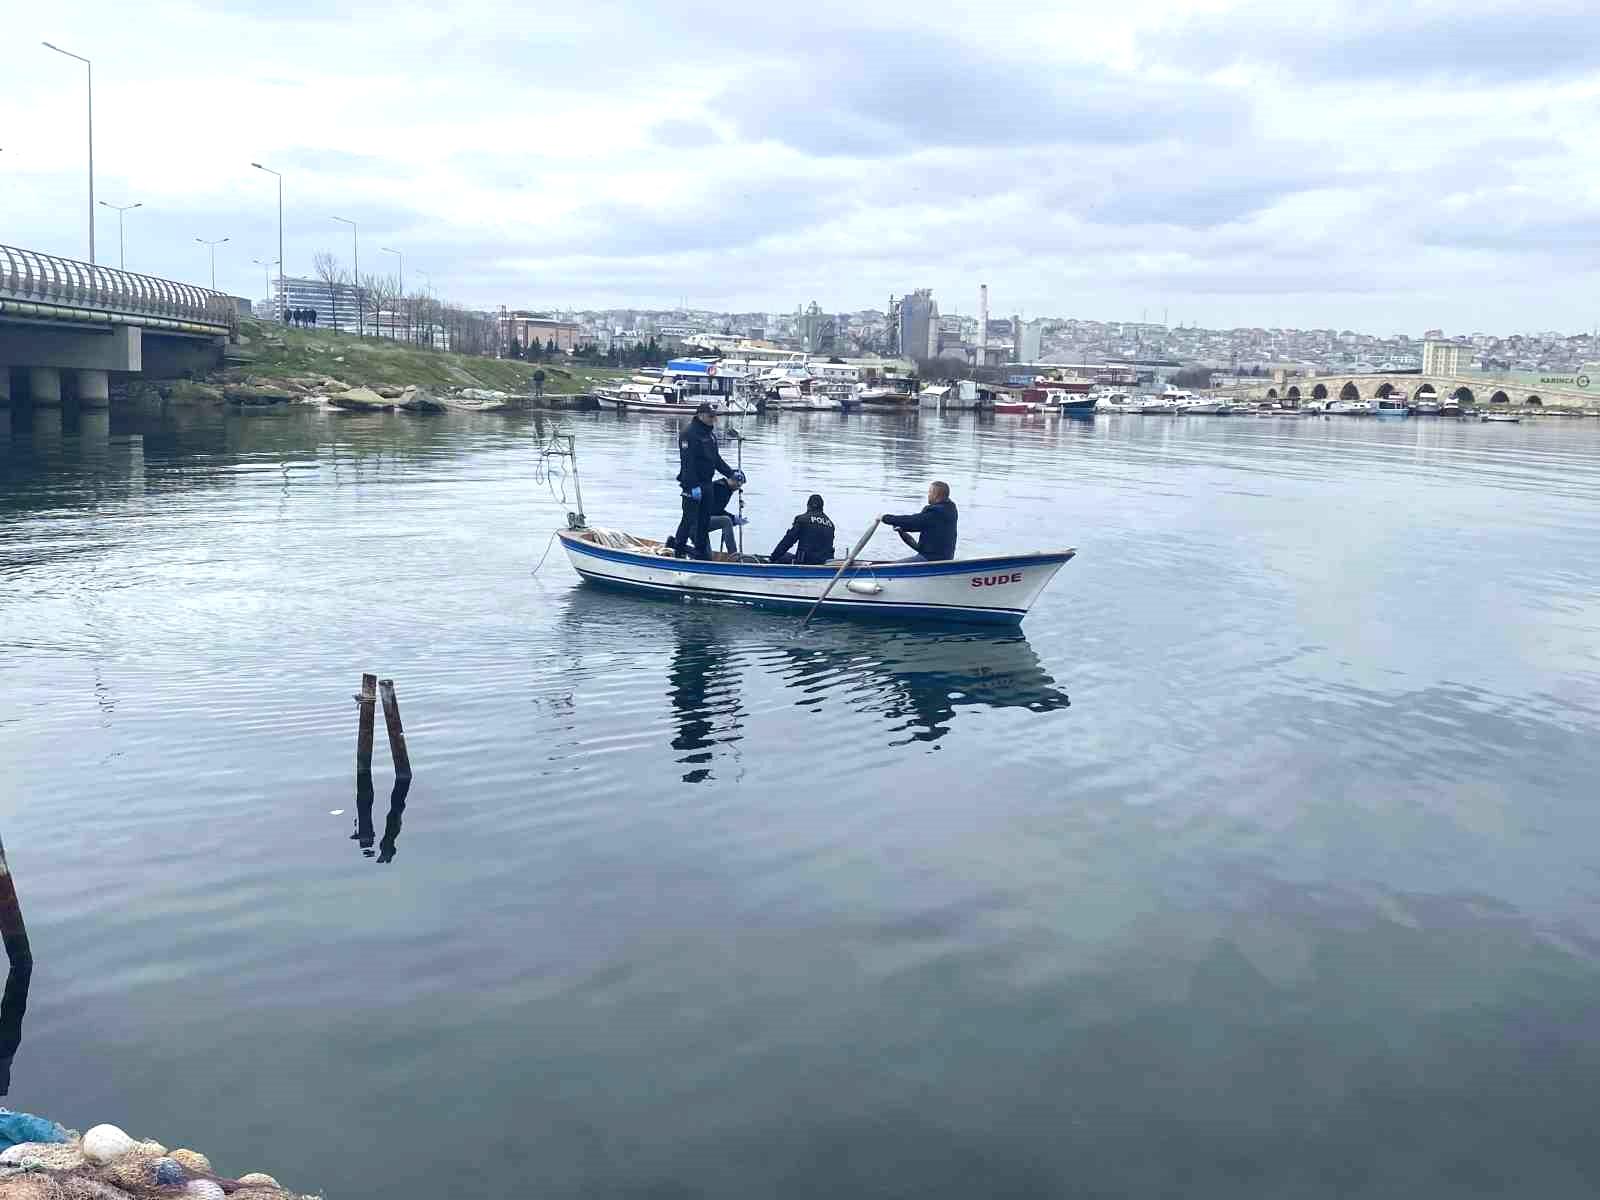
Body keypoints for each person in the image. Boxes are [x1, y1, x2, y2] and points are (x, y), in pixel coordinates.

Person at [670, 403, 742, 559]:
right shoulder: (688, 434)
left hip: (707, 484)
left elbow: (716, 459)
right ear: (700, 415)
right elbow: (688, 463)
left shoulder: (710, 435)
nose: (713, 419)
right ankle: (678, 550)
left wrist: (731, 473)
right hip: (692, 485)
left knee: (704, 521)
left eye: (715, 416)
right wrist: (693, 486)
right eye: (711, 416)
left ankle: (700, 553)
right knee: (688, 519)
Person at [882, 481, 958, 561]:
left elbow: (913, 521)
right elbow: (918, 524)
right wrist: (901, 529)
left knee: (893, 567)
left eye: (929, 492)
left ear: (936, 495)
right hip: (942, 557)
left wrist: (885, 518)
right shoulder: (950, 510)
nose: (928, 495)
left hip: (932, 559)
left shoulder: (936, 513)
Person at [770, 494, 836, 564]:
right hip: (824, 563)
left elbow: (787, 542)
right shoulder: (831, 525)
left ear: (808, 506)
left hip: (805, 562)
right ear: (822, 507)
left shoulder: (803, 519)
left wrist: (772, 558)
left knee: (782, 556)